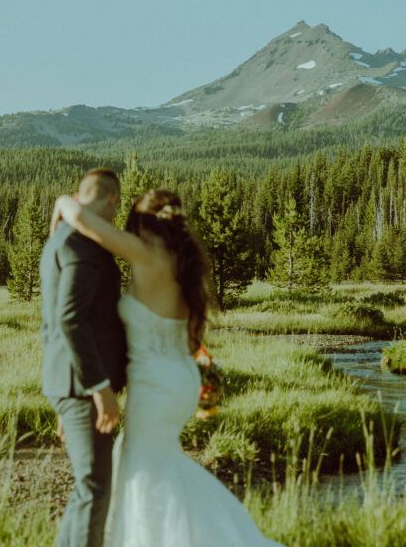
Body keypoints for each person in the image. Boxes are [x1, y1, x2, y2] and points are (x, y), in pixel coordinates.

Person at [52, 187, 282, 547]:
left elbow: (82, 219)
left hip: (156, 386)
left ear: (141, 222)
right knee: (157, 466)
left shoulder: (146, 254)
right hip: (180, 381)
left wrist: (62, 203)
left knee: (143, 474)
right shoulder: (186, 267)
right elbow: (193, 343)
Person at [40, 169, 127, 547]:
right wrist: (99, 386)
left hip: (69, 383)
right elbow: (68, 320)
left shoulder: (59, 236)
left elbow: (50, 327)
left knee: (89, 486)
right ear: (112, 200)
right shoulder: (84, 244)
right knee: (95, 487)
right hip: (82, 386)